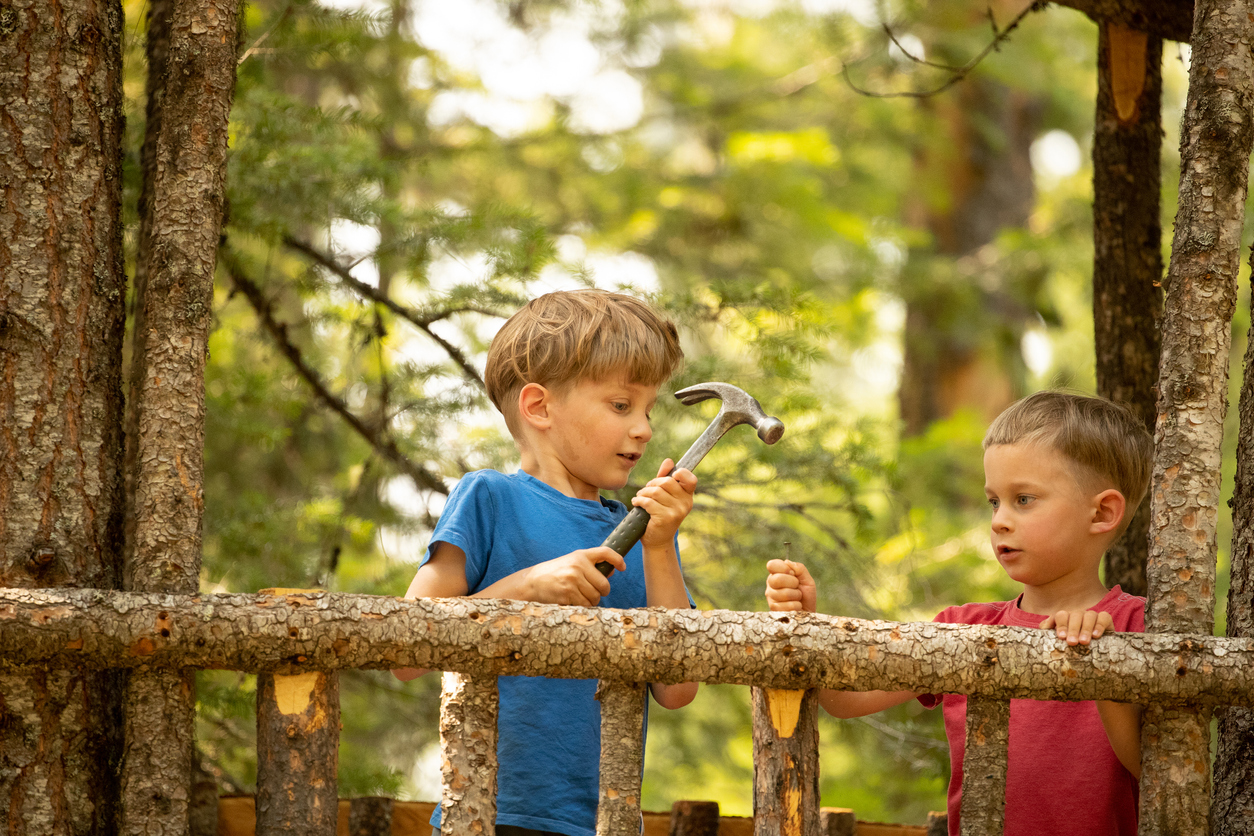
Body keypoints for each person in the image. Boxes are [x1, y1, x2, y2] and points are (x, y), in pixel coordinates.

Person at [765, 391, 1153, 836]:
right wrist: (808, 623)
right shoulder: (965, 628)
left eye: (1023, 499)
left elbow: (1156, 770)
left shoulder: (1137, 627)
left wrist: (1103, 666)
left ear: (1102, 512)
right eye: (994, 502)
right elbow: (845, 700)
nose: (1000, 521)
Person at [394, 289, 699, 836]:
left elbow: (677, 692)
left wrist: (658, 544)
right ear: (538, 407)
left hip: (603, 823)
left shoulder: (645, 534)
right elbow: (406, 651)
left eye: (648, 410)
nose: (645, 429)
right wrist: (528, 586)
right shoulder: (488, 498)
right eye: (621, 405)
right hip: (486, 815)